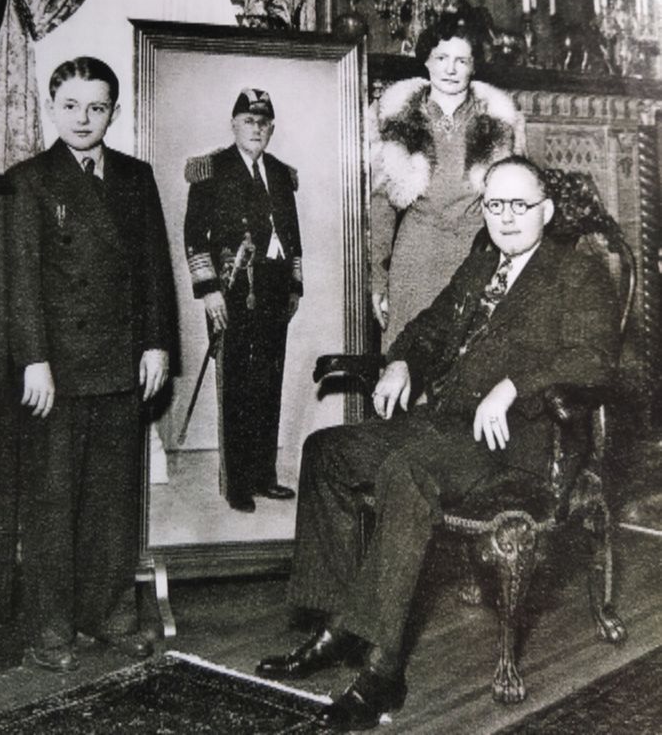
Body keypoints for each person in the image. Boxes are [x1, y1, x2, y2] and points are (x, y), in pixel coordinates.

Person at [256, 157, 620, 730]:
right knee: (327, 451)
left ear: (546, 211)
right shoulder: (481, 263)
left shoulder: (578, 272)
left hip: (516, 440)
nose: (506, 217)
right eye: (494, 205)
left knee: (408, 472)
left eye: (519, 205)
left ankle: (383, 671)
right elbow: (430, 325)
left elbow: (594, 360)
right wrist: (402, 361)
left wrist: (514, 386)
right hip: (446, 425)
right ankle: (340, 627)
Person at [7, 57, 177, 672]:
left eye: (97, 107)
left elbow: (155, 268)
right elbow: (21, 280)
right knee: (54, 501)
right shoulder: (30, 180)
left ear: (114, 112)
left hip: (122, 363)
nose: (84, 119)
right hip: (58, 368)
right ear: (52, 108)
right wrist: (33, 359)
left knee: (113, 499)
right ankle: (49, 628)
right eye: (72, 106)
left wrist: (157, 344)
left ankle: (108, 615)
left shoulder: (135, 176)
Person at [370, 13, 526, 349]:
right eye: (441, 58)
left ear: (473, 66)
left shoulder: (499, 120)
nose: (451, 69)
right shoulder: (397, 116)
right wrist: (378, 280)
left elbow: (520, 203)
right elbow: (381, 205)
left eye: (461, 60)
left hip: (477, 253)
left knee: (472, 357)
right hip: (417, 256)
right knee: (409, 356)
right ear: (426, 61)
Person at [184, 88, 303, 513]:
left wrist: (294, 286)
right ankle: (236, 484)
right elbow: (194, 236)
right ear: (233, 125)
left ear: (272, 128)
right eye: (248, 121)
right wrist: (209, 291)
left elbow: (293, 236)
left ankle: (263, 476)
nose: (256, 129)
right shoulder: (211, 170)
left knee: (268, 382)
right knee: (236, 384)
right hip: (231, 290)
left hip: (273, 291)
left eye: (263, 123)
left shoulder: (281, 173)